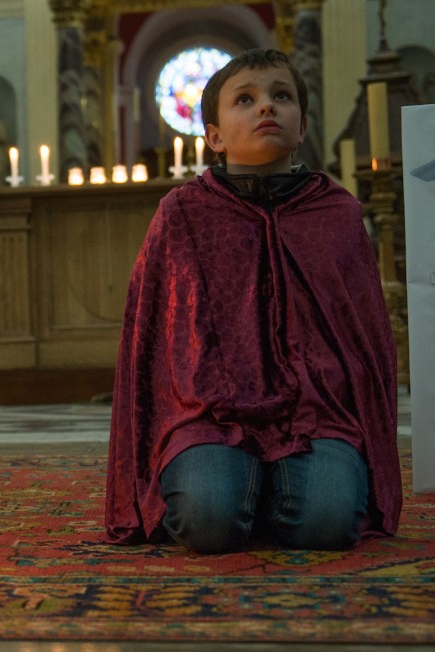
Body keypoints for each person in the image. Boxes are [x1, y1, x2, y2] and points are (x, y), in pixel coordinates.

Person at [105, 49, 401, 554]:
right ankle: (249, 491)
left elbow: (366, 335)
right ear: (215, 136)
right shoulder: (183, 213)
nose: (267, 107)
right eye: (246, 99)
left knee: (328, 527)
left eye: (280, 96)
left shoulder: (337, 212)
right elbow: (149, 332)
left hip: (317, 411)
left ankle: (277, 492)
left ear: (302, 126)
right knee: (208, 525)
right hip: (210, 413)